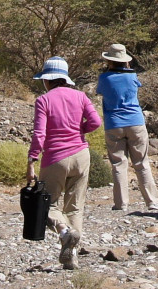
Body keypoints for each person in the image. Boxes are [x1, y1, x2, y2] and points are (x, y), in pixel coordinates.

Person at [26, 56, 102, 269]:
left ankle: (64, 232)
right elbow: (96, 122)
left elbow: (39, 135)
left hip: (55, 158)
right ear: (65, 78)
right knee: (75, 207)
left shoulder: (44, 100)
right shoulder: (80, 96)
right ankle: (71, 256)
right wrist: (80, 131)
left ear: (47, 80)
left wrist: (31, 161)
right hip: (81, 155)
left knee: (46, 203)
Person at [94, 43, 158, 213]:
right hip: (135, 122)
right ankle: (152, 202)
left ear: (109, 60)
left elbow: (100, 92)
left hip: (114, 124)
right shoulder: (132, 76)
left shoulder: (104, 78)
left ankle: (121, 204)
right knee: (141, 163)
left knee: (118, 164)